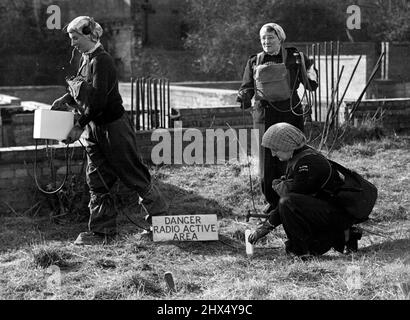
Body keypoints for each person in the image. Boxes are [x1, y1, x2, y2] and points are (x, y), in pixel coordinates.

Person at [51, 16, 168, 245]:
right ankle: (102, 233)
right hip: (94, 128)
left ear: (89, 35)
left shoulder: (102, 61)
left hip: (113, 128)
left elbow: (99, 100)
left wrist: (78, 125)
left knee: (134, 174)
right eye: (71, 39)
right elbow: (83, 88)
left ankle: (160, 226)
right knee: (97, 179)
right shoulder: (86, 59)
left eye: (75, 38)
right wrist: (65, 98)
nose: (72, 43)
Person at [237, 23, 318, 214]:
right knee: (267, 159)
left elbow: (312, 85)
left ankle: (292, 196)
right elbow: (247, 86)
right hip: (264, 114)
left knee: (291, 154)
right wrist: (243, 96)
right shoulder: (254, 61)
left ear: (280, 38)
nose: (267, 41)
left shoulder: (295, 57)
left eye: (271, 37)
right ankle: (272, 201)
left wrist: (308, 71)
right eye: (263, 38)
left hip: (290, 111)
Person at [247, 123, 362, 257]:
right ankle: (331, 239)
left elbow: (291, 200)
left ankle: (303, 250)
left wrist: (265, 228)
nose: (272, 154)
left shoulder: (307, 163)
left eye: (275, 149)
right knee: (286, 204)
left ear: (286, 145)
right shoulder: (300, 157)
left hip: (336, 215)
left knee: (287, 203)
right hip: (327, 212)